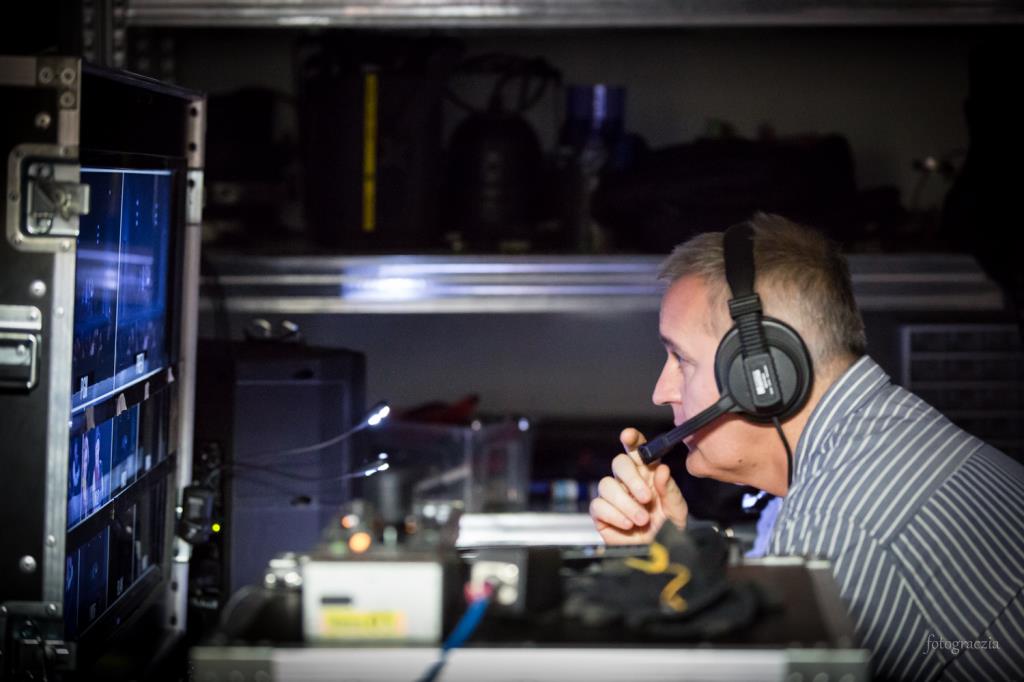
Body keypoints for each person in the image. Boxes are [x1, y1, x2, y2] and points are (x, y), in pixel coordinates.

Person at [589, 213, 1024, 681]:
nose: (662, 392)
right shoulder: (885, 439)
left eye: (680, 358)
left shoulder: (839, 526)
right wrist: (679, 563)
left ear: (762, 376)